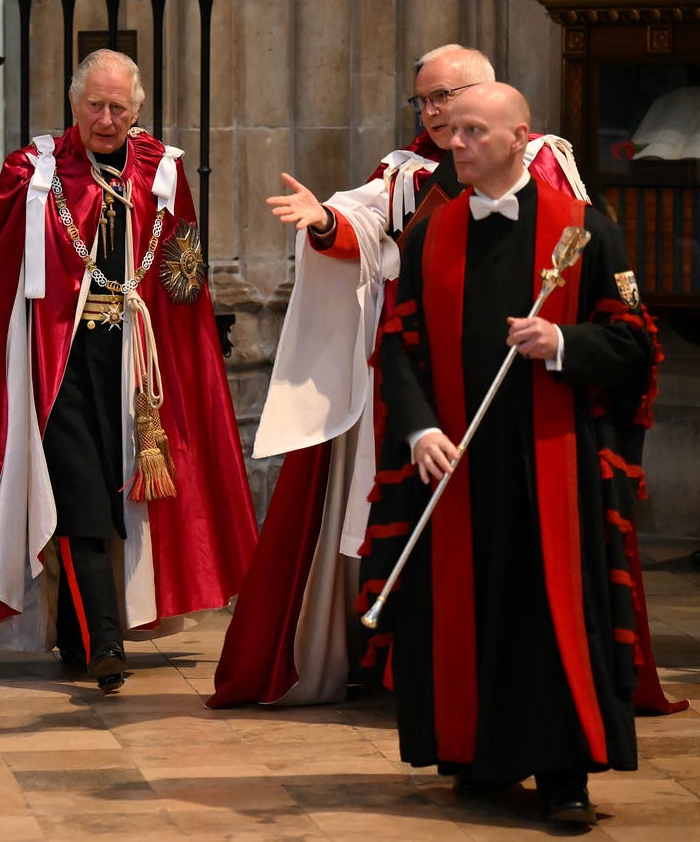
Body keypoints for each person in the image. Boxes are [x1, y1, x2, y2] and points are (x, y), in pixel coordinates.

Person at [210, 44, 683, 715]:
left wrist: (562, 343)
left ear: (505, 119)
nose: (438, 117)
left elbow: (606, 308)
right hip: (441, 396)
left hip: (538, 401)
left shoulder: (561, 184)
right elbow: (368, 230)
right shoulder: (409, 181)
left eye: (450, 102)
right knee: (448, 557)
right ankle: (446, 700)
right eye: (426, 102)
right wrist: (324, 223)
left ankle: (552, 710)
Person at [361, 82, 650, 825]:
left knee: (548, 617)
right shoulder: (431, 232)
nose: (455, 145)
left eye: (473, 133)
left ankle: (564, 776)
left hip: (553, 464)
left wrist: (562, 343)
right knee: (471, 611)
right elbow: (398, 342)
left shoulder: (584, 229)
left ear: (521, 136)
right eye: (451, 132)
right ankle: (479, 755)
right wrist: (420, 427)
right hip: (458, 467)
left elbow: (632, 340)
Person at [0, 49, 256, 691]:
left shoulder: (160, 173)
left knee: (114, 488)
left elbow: (183, 276)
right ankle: (105, 639)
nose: (105, 119)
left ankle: (81, 639)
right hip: (61, 357)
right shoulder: (33, 171)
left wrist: (182, 343)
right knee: (75, 487)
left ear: (136, 110)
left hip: (133, 358)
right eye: (94, 105)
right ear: (74, 102)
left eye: (118, 108)